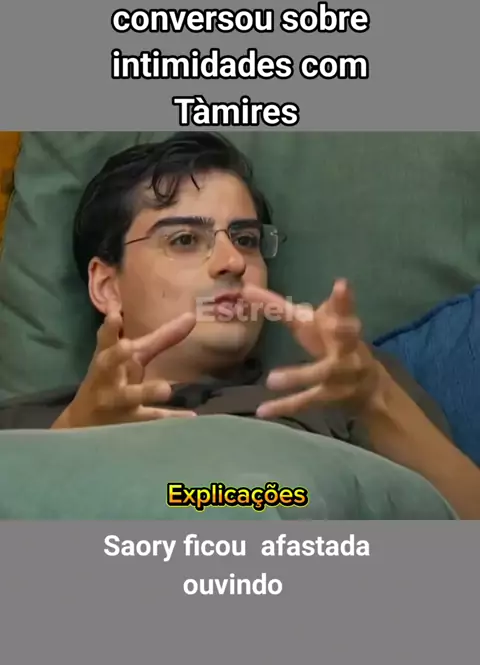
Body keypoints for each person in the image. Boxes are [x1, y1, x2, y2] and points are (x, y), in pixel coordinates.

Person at [0, 132, 479, 518]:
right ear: (107, 286)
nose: (232, 261)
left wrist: (376, 399)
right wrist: (74, 439)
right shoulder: (21, 429)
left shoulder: (346, 390)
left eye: (246, 239)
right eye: (185, 239)